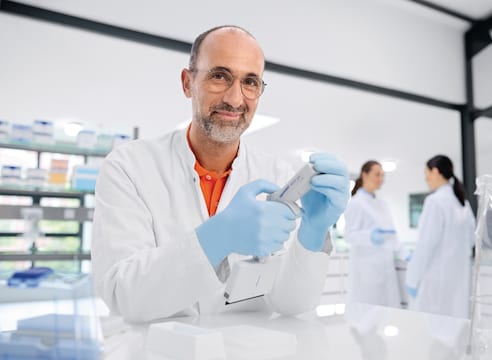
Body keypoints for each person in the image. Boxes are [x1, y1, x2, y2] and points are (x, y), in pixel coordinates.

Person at [91, 25, 350, 323]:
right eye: (219, 76)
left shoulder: (278, 173)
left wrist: (313, 233)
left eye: (250, 82)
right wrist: (217, 238)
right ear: (188, 82)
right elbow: (123, 295)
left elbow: (291, 303)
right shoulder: (129, 166)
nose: (235, 99)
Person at [405, 155, 475, 318]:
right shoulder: (463, 203)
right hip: (459, 282)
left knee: (430, 333)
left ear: (435, 171)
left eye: (426, 173)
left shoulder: (435, 201)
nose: (426, 178)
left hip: (436, 282)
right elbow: (471, 239)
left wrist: (412, 279)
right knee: (454, 331)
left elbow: (425, 245)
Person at [344, 160, 403, 308]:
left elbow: (392, 234)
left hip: (385, 266)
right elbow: (349, 234)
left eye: (383, 175)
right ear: (364, 174)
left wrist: (404, 252)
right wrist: (370, 236)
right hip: (366, 269)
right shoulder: (356, 203)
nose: (381, 179)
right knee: (366, 314)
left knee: (388, 316)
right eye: (377, 174)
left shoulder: (383, 204)